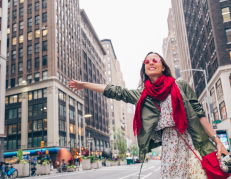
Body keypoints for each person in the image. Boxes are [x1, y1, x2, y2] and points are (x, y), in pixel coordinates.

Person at [68, 52, 229, 178]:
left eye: (155, 60)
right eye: (147, 61)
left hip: (194, 142)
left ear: (163, 67)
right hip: (170, 149)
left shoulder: (180, 85)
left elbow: (200, 115)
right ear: (144, 69)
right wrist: (85, 85)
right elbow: (115, 91)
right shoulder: (142, 96)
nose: (151, 62)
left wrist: (216, 140)